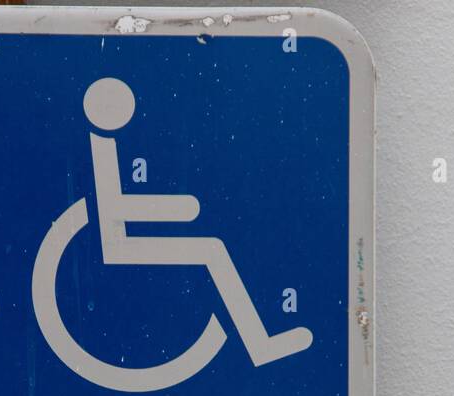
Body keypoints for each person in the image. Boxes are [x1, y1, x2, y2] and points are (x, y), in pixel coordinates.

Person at [83, 77, 312, 366]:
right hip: (119, 246)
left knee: (212, 249)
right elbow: (115, 211)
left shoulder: (104, 142)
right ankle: (259, 344)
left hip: (120, 239)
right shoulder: (103, 146)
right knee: (213, 250)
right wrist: (182, 207)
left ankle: (260, 343)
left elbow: (118, 207)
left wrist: (179, 208)